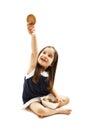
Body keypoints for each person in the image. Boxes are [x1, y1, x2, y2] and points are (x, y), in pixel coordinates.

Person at [22, 22, 72, 118]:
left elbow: (50, 87)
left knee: (67, 99)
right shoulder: (33, 68)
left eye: (49, 56)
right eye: (44, 52)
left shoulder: (48, 74)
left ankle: (48, 109)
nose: (45, 56)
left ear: (52, 63)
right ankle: (55, 111)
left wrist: (57, 96)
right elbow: (34, 52)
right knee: (41, 111)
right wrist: (33, 35)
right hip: (32, 99)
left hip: (44, 97)